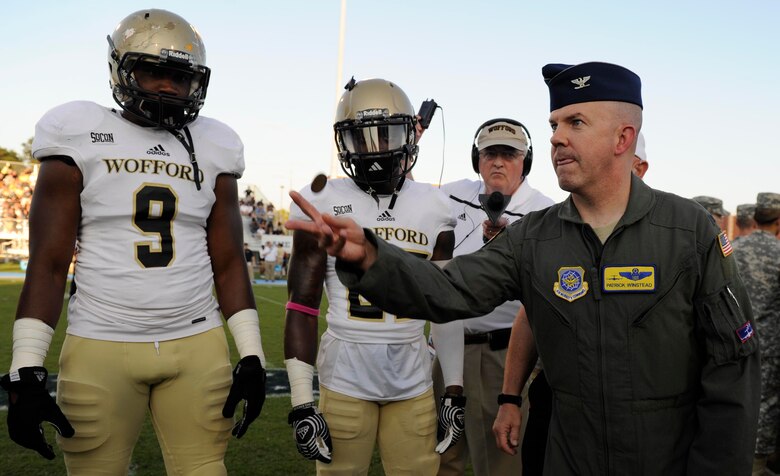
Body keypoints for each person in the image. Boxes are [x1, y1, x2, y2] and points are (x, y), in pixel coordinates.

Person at [286, 61, 761, 475]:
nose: (556, 137)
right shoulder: (535, 236)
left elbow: (731, 371)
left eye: (575, 122)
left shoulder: (689, 231)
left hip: (667, 458)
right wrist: (370, 256)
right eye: (554, 124)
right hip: (569, 455)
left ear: (623, 138)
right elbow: (446, 290)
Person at [0, 10, 267, 474]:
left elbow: (228, 262)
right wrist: (26, 366)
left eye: (179, 77)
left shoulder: (215, 143)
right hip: (100, 342)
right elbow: (47, 261)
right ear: (121, 70)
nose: (167, 87)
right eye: (152, 71)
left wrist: (252, 354)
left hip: (197, 341)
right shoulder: (78, 129)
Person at [284, 77, 456, 475]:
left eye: (387, 134)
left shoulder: (435, 206)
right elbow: (301, 305)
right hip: (344, 379)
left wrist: (454, 390)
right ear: (344, 142)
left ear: (409, 136)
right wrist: (301, 402)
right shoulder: (322, 199)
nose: (375, 150)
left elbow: (445, 307)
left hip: (412, 382)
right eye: (362, 139)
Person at [493, 130, 651, 476]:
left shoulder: (668, 238)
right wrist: (509, 398)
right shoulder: (555, 234)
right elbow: (531, 315)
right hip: (559, 406)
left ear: (640, 168)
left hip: (638, 410)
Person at [431, 118, 554, 476]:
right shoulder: (450, 194)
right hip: (446, 351)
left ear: (524, 161)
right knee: (442, 459)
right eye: (490, 153)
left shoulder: (543, 212)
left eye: (509, 154)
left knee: (500, 464)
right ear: (477, 158)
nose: (498, 162)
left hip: (502, 355)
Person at [731, 192, 780, 476]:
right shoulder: (777, 253)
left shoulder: (733, 249)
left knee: (737, 399)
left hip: (735, 342)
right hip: (770, 348)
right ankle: (755, 466)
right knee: (766, 405)